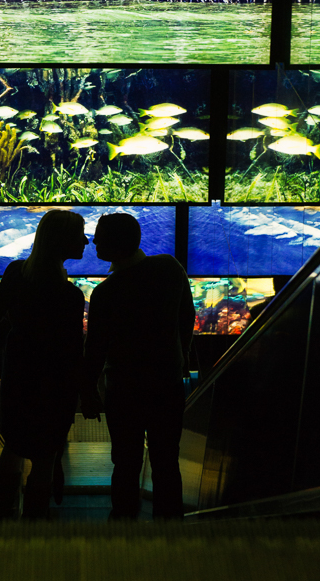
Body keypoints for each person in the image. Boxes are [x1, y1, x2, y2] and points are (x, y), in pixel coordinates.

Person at [0, 209, 87, 519]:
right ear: (62, 241)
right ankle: (33, 529)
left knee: (13, 445)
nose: (86, 240)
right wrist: (81, 392)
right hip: (53, 383)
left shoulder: (16, 274)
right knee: (45, 458)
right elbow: (71, 353)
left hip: (18, 374)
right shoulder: (69, 295)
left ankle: (0, 517)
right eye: (80, 234)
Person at [80, 212, 195, 520]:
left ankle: (123, 529)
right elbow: (187, 318)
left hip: (123, 390)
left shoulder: (105, 293)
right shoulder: (170, 268)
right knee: (166, 461)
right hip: (167, 385)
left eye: (100, 236)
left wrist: (88, 389)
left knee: (126, 462)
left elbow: (95, 349)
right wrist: (181, 357)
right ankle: (170, 530)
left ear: (114, 243)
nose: (94, 241)